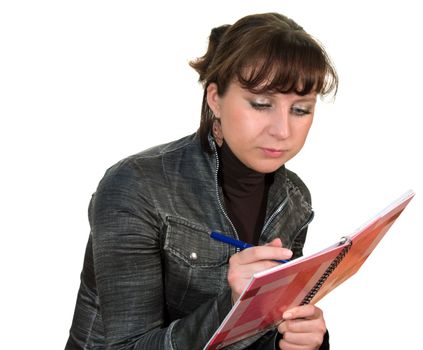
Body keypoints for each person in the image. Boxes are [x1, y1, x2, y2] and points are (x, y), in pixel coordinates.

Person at [66, 12, 338, 350]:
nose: (283, 130)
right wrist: (231, 305)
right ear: (215, 99)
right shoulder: (135, 188)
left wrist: (304, 339)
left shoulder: (294, 199)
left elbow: (264, 331)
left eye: (301, 110)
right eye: (261, 104)